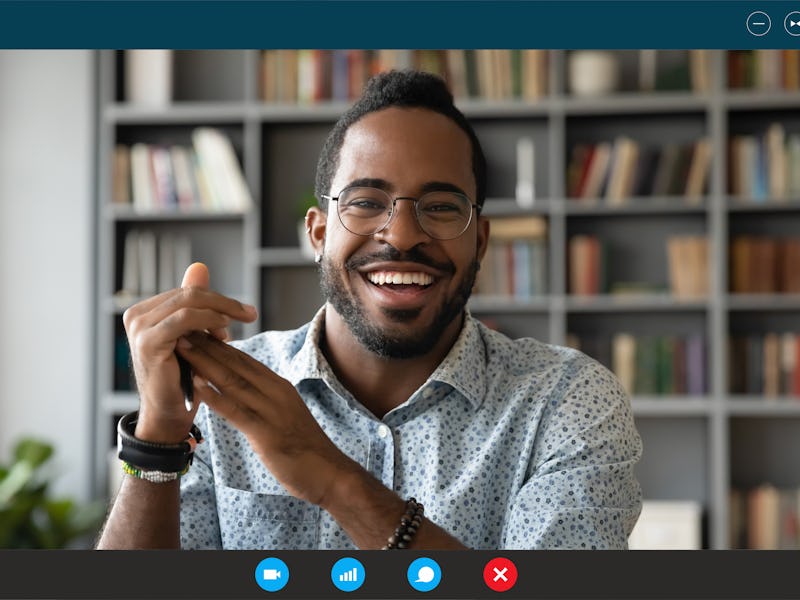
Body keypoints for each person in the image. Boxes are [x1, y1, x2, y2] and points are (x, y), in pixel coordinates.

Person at [97, 69, 642, 551]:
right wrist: (158, 440)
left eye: (441, 207)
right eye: (365, 202)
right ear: (316, 232)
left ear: (480, 241)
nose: (402, 235)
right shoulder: (220, 395)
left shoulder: (568, 402)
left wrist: (334, 481)